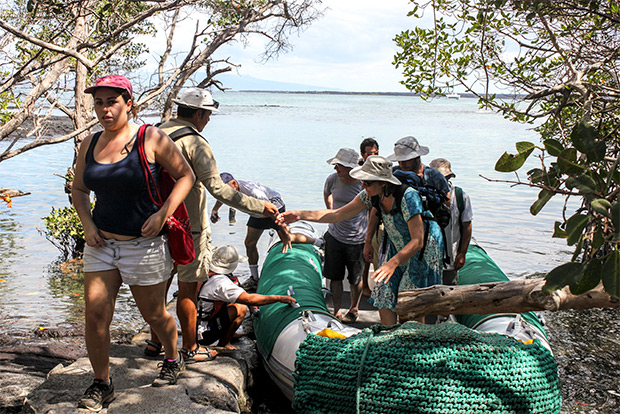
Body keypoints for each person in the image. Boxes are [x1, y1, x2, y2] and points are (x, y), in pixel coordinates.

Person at [72, 75, 196, 410]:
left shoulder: (151, 138)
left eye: (112, 102)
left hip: (143, 246)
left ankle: (173, 358)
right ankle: (102, 383)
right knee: (95, 316)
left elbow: (187, 176)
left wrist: (162, 213)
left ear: (129, 103)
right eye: (98, 103)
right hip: (101, 245)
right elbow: (79, 190)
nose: (104, 110)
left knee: (154, 315)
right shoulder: (90, 143)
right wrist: (87, 224)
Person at [146, 87, 280, 364]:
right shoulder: (194, 142)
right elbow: (218, 188)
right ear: (198, 114)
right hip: (187, 226)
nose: (208, 121)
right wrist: (259, 207)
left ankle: (154, 342)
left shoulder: (154, 132)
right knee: (188, 288)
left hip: (155, 223)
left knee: (160, 286)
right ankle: (191, 347)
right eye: (207, 116)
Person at [277, 156, 444, 326]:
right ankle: (390, 336)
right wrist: (300, 215)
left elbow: (418, 240)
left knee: (408, 298)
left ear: (383, 182)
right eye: (362, 182)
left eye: (368, 183)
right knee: (382, 291)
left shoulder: (408, 197)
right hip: (398, 245)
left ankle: (412, 338)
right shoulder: (370, 195)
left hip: (424, 248)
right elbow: (337, 214)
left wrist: (392, 263)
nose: (363, 186)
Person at [211, 172, 322, 282]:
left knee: (287, 237)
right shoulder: (228, 192)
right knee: (249, 243)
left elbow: (272, 210)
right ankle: (254, 278)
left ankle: (319, 243)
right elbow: (221, 197)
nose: (225, 193)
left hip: (273, 208)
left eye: (226, 189)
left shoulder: (253, 193)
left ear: (234, 184)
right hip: (256, 212)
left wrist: (282, 228)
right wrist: (215, 209)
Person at [196, 245, 296, 349]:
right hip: (204, 334)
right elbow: (248, 298)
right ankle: (224, 343)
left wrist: (252, 307)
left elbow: (240, 292)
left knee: (236, 302)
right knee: (241, 308)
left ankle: (227, 333)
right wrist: (279, 298)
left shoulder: (206, 272)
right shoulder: (221, 283)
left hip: (196, 326)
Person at [323, 148, 367, 323]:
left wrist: (369, 238)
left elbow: (372, 211)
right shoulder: (332, 180)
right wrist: (331, 210)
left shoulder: (362, 184)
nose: (336, 169)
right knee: (335, 277)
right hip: (335, 236)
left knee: (356, 278)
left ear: (350, 168)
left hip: (357, 239)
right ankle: (336, 310)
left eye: (339, 166)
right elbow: (327, 193)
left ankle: (354, 308)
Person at [429, 158, 473, 285]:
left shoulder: (460, 196)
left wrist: (462, 252)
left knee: (449, 291)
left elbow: (467, 225)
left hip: (450, 258)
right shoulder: (424, 195)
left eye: (444, 177)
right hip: (427, 259)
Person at [359, 138, 381, 296]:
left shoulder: (381, 170)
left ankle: (375, 288)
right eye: (369, 154)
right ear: (362, 154)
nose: (373, 156)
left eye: (376, 153)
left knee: (374, 254)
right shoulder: (358, 170)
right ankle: (364, 285)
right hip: (360, 218)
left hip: (376, 219)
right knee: (364, 257)